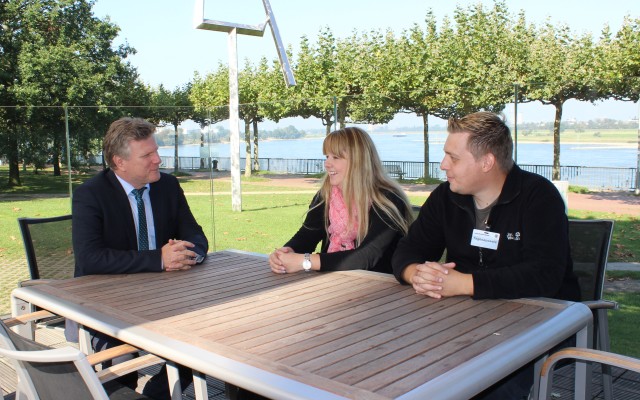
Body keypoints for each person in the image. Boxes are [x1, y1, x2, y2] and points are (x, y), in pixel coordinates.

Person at [392, 111, 581, 399]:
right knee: (406, 367)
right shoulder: (446, 197)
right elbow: (408, 250)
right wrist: (416, 274)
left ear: (487, 162)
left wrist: (464, 284)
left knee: (483, 387)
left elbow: (545, 275)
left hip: (540, 320)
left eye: (453, 158)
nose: (443, 165)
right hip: (465, 319)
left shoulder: (538, 197)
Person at [71, 117, 208, 399]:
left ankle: (158, 392)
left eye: (156, 151)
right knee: (120, 367)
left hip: (165, 299)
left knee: (207, 337)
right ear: (119, 162)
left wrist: (189, 252)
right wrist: (159, 259)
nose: (158, 159)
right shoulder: (90, 194)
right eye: (147, 155)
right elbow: (90, 258)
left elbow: (196, 235)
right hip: (106, 304)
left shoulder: (168, 186)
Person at [269, 127, 413, 275]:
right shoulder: (326, 194)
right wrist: (285, 253)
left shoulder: (387, 199)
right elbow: (307, 235)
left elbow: (367, 256)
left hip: (381, 285)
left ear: (359, 160)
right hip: (332, 279)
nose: (327, 164)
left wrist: (305, 262)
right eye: (327, 156)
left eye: (336, 157)